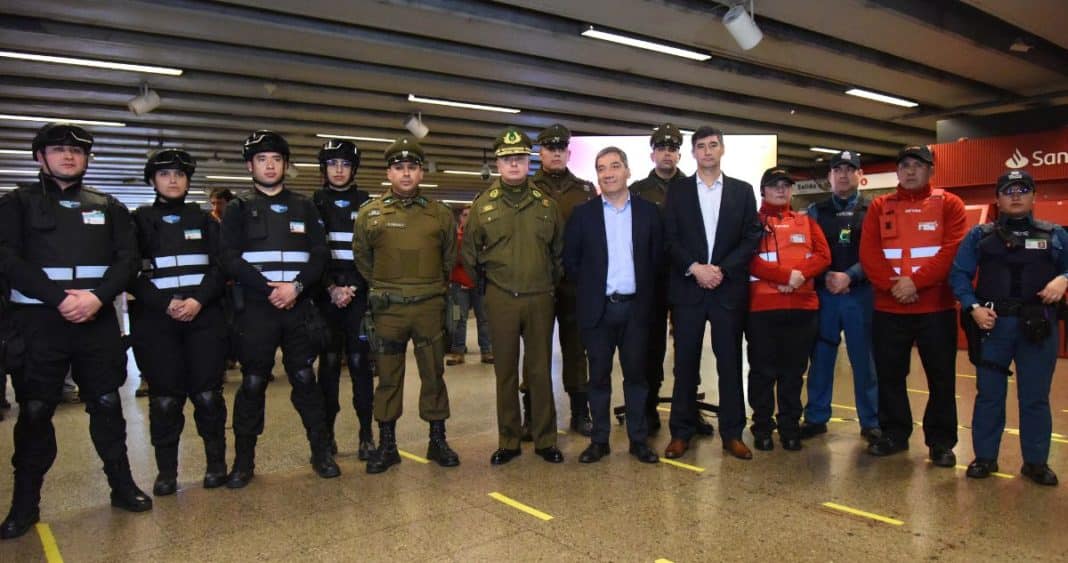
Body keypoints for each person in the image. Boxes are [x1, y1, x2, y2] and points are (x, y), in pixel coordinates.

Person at [0, 123, 151, 540]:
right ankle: (25, 504)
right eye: (58, 150)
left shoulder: (109, 207)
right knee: (34, 411)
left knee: (106, 403)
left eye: (77, 151)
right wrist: (58, 298)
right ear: (39, 157)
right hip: (39, 322)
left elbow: (127, 260)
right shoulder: (15, 204)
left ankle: (121, 486)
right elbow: (7, 259)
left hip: (96, 320)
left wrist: (97, 298)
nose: (68, 156)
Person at [218, 130, 338, 488]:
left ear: (286, 165)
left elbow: (319, 255)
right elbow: (228, 258)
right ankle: (243, 461)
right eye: (261, 160)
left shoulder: (305, 206)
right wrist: (269, 289)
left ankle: (320, 452)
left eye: (276, 159)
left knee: (304, 378)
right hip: (257, 309)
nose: (269, 166)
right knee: (253, 382)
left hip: (298, 307)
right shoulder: (238, 208)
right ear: (249, 166)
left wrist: (296, 288)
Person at [353, 137, 460, 474]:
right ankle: (387, 445)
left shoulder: (439, 213)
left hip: (429, 306)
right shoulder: (371, 213)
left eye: (412, 167)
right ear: (388, 172)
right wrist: (389, 286)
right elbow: (363, 260)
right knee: (388, 378)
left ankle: (437, 439)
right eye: (399, 168)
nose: (405, 173)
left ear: (420, 172)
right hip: (388, 309)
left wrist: (429, 286)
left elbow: (448, 259)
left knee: (434, 375)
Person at [950, 170, 1062, 486]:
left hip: (1038, 328)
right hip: (993, 326)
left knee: (1036, 397)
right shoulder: (979, 236)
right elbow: (959, 275)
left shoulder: (1055, 234)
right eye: (1008, 190)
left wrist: (1064, 279)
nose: (1015, 195)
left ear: (1033, 196)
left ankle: (1036, 462)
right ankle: (985, 457)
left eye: (1022, 189)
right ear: (998, 199)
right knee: (989, 395)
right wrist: (973, 308)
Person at [859, 144, 967, 466]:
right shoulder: (879, 206)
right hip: (889, 308)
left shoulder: (950, 204)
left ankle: (941, 441)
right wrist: (895, 286)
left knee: (941, 377)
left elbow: (952, 251)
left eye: (917, 165)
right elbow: (869, 253)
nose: (909, 171)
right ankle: (894, 433)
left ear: (930, 170)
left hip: (936, 309)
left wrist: (914, 283)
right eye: (904, 165)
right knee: (890, 375)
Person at [462, 127, 565, 465]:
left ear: (528, 162)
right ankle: (508, 439)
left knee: (539, 371)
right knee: (504, 372)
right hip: (501, 297)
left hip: (539, 297)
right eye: (507, 159)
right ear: (498, 163)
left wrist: (548, 283)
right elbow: (470, 254)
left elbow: (558, 254)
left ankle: (545, 439)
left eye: (519, 158)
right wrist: (489, 287)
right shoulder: (482, 206)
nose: (514, 164)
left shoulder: (546, 206)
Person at [129, 149, 229, 495]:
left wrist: (198, 300)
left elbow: (221, 267)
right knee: (165, 400)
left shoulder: (205, 220)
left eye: (180, 175)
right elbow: (128, 271)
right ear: (153, 180)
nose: (173, 180)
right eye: (165, 174)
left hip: (204, 318)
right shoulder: (138, 220)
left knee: (207, 396)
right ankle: (166, 472)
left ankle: (217, 464)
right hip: (158, 322)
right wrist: (165, 303)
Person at [662, 125, 762, 461]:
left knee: (730, 363)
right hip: (689, 288)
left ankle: (732, 433)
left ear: (722, 150)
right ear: (693, 153)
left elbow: (751, 237)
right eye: (701, 146)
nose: (707, 151)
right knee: (685, 364)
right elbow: (669, 238)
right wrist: (694, 267)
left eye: (713, 145)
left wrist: (722, 269)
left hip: (726, 290)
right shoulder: (678, 192)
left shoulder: (742, 191)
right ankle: (681, 432)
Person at [563, 147, 661, 464]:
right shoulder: (583, 214)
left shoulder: (648, 212)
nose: (608, 173)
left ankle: (638, 439)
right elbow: (572, 262)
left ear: (627, 171)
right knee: (599, 378)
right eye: (602, 168)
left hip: (636, 310)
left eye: (615, 166)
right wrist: (593, 289)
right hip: (599, 310)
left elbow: (658, 259)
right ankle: (600, 440)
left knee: (637, 377)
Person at [746, 168, 830, 452]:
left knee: (794, 372)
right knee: (762, 371)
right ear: (763, 191)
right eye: (774, 186)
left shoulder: (806, 222)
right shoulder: (752, 223)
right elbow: (748, 259)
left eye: (785, 186)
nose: (781, 190)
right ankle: (762, 427)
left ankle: (790, 427)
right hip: (762, 308)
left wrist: (797, 276)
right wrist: (785, 277)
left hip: (802, 307)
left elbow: (823, 256)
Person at [802, 150, 880, 442]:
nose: (844, 175)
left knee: (865, 360)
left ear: (860, 175)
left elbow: (878, 253)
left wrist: (852, 276)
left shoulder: (873, 210)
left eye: (850, 169)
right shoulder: (814, 211)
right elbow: (806, 252)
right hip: (825, 295)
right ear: (829, 177)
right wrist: (827, 277)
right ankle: (816, 416)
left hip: (860, 294)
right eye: (838, 170)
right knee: (821, 358)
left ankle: (871, 420)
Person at [312, 139, 375, 461]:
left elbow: (374, 253)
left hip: (359, 297)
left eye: (345, 164)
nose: (339, 170)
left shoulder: (367, 203)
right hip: (326, 299)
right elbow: (311, 254)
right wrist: (331, 289)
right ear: (324, 168)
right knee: (330, 366)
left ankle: (366, 433)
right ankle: (327, 435)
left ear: (353, 169)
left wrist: (353, 288)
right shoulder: (313, 203)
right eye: (332, 164)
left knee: (362, 364)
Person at [531, 123, 595, 437]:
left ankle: (580, 412)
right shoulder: (527, 189)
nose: (556, 153)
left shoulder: (585, 190)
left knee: (575, 348)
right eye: (549, 148)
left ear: (568, 153)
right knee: (536, 349)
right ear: (540, 153)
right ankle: (533, 414)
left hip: (574, 283)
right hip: (538, 281)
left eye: (561, 149)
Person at [629, 123, 689, 433]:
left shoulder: (692, 186)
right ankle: (647, 409)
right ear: (653, 153)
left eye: (673, 148)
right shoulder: (637, 190)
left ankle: (686, 410)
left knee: (687, 349)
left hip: (685, 277)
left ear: (679, 153)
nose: (668, 153)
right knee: (650, 348)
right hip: (651, 280)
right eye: (662, 148)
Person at [445, 205, 493, 366]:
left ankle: (487, 351)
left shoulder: (483, 237)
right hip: (458, 286)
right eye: (465, 215)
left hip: (479, 284)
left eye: (471, 215)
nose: (468, 218)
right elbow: (451, 260)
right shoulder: (453, 237)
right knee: (458, 319)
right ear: (460, 218)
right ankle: (458, 352)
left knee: (484, 319)